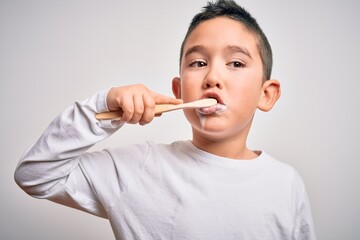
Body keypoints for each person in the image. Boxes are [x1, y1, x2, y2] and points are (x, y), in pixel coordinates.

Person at [14, 0, 316, 239]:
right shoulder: (137, 169)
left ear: (267, 94)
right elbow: (36, 175)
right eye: (198, 63)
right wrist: (105, 103)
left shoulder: (286, 184)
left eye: (236, 63)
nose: (212, 77)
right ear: (179, 90)